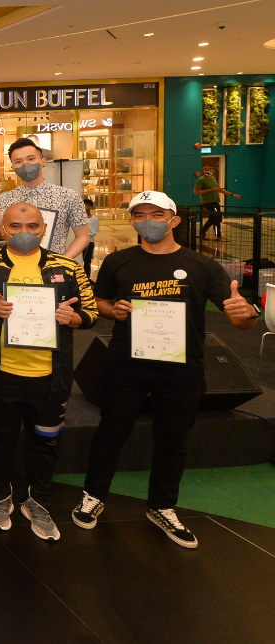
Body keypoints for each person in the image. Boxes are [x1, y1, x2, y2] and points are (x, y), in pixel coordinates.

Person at [73, 191, 258, 549]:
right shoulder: (118, 262)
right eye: (139, 214)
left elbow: (241, 317)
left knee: (173, 438)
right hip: (126, 361)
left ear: (173, 220)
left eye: (156, 213)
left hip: (182, 367)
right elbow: (101, 301)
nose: (147, 220)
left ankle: (161, 506)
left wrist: (244, 313)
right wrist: (114, 312)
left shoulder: (202, 265)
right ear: (132, 221)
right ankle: (94, 495)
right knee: (112, 430)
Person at [0, 202, 98, 542]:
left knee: (46, 439)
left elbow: (90, 310)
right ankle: (1, 495)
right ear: (3, 230)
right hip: (2, 372)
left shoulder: (67, 267)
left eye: (31, 226)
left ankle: (37, 500)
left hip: (51, 376)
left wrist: (75, 319)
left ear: (44, 228)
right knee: (0, 435)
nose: (23, 233)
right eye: (15, 226)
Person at [0, 138, 90, 259]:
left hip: (54, 268)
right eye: (18, 161)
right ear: (13, 167)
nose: (25, 164)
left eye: (31, 159)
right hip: (14, 267)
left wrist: (62, 261)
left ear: (43, 162)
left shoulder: (68, 196)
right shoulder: (5, 199)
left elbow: (83, 236)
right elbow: (0, 234)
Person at [194, 164, 237, 242]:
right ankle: (218, 236)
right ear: (203, 171)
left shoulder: (213, 179)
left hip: (215, 201)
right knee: (217, 218)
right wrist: (211, 190)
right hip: (208, 202)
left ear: (213, 170)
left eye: (210, 169)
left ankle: (202, 233)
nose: (208, 171)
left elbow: (219, 189)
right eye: (206, 169)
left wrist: (232, 194)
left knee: (213, 218)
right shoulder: (201, 180)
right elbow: (196, 191)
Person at [82, 198, 98, 276]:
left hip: (90, 241)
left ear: (90, 207)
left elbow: (96, 231)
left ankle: (87, 277)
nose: (85, 207)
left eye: (87, 205)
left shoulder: (95, 219)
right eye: (83, 205)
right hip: (80, 240)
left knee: (87, 260)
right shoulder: (80, 218)